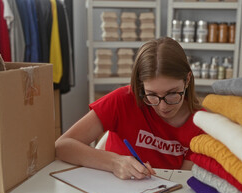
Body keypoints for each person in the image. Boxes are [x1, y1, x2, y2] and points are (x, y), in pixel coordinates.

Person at [55, 37, 204, 180]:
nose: (163, 106)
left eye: (172, 93)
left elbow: (183, 181)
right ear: (141, 86)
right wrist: (114, 162)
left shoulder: (202, 123)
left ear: (187, 79)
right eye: (151, 94)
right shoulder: (122, 100)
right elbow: (62, 146)